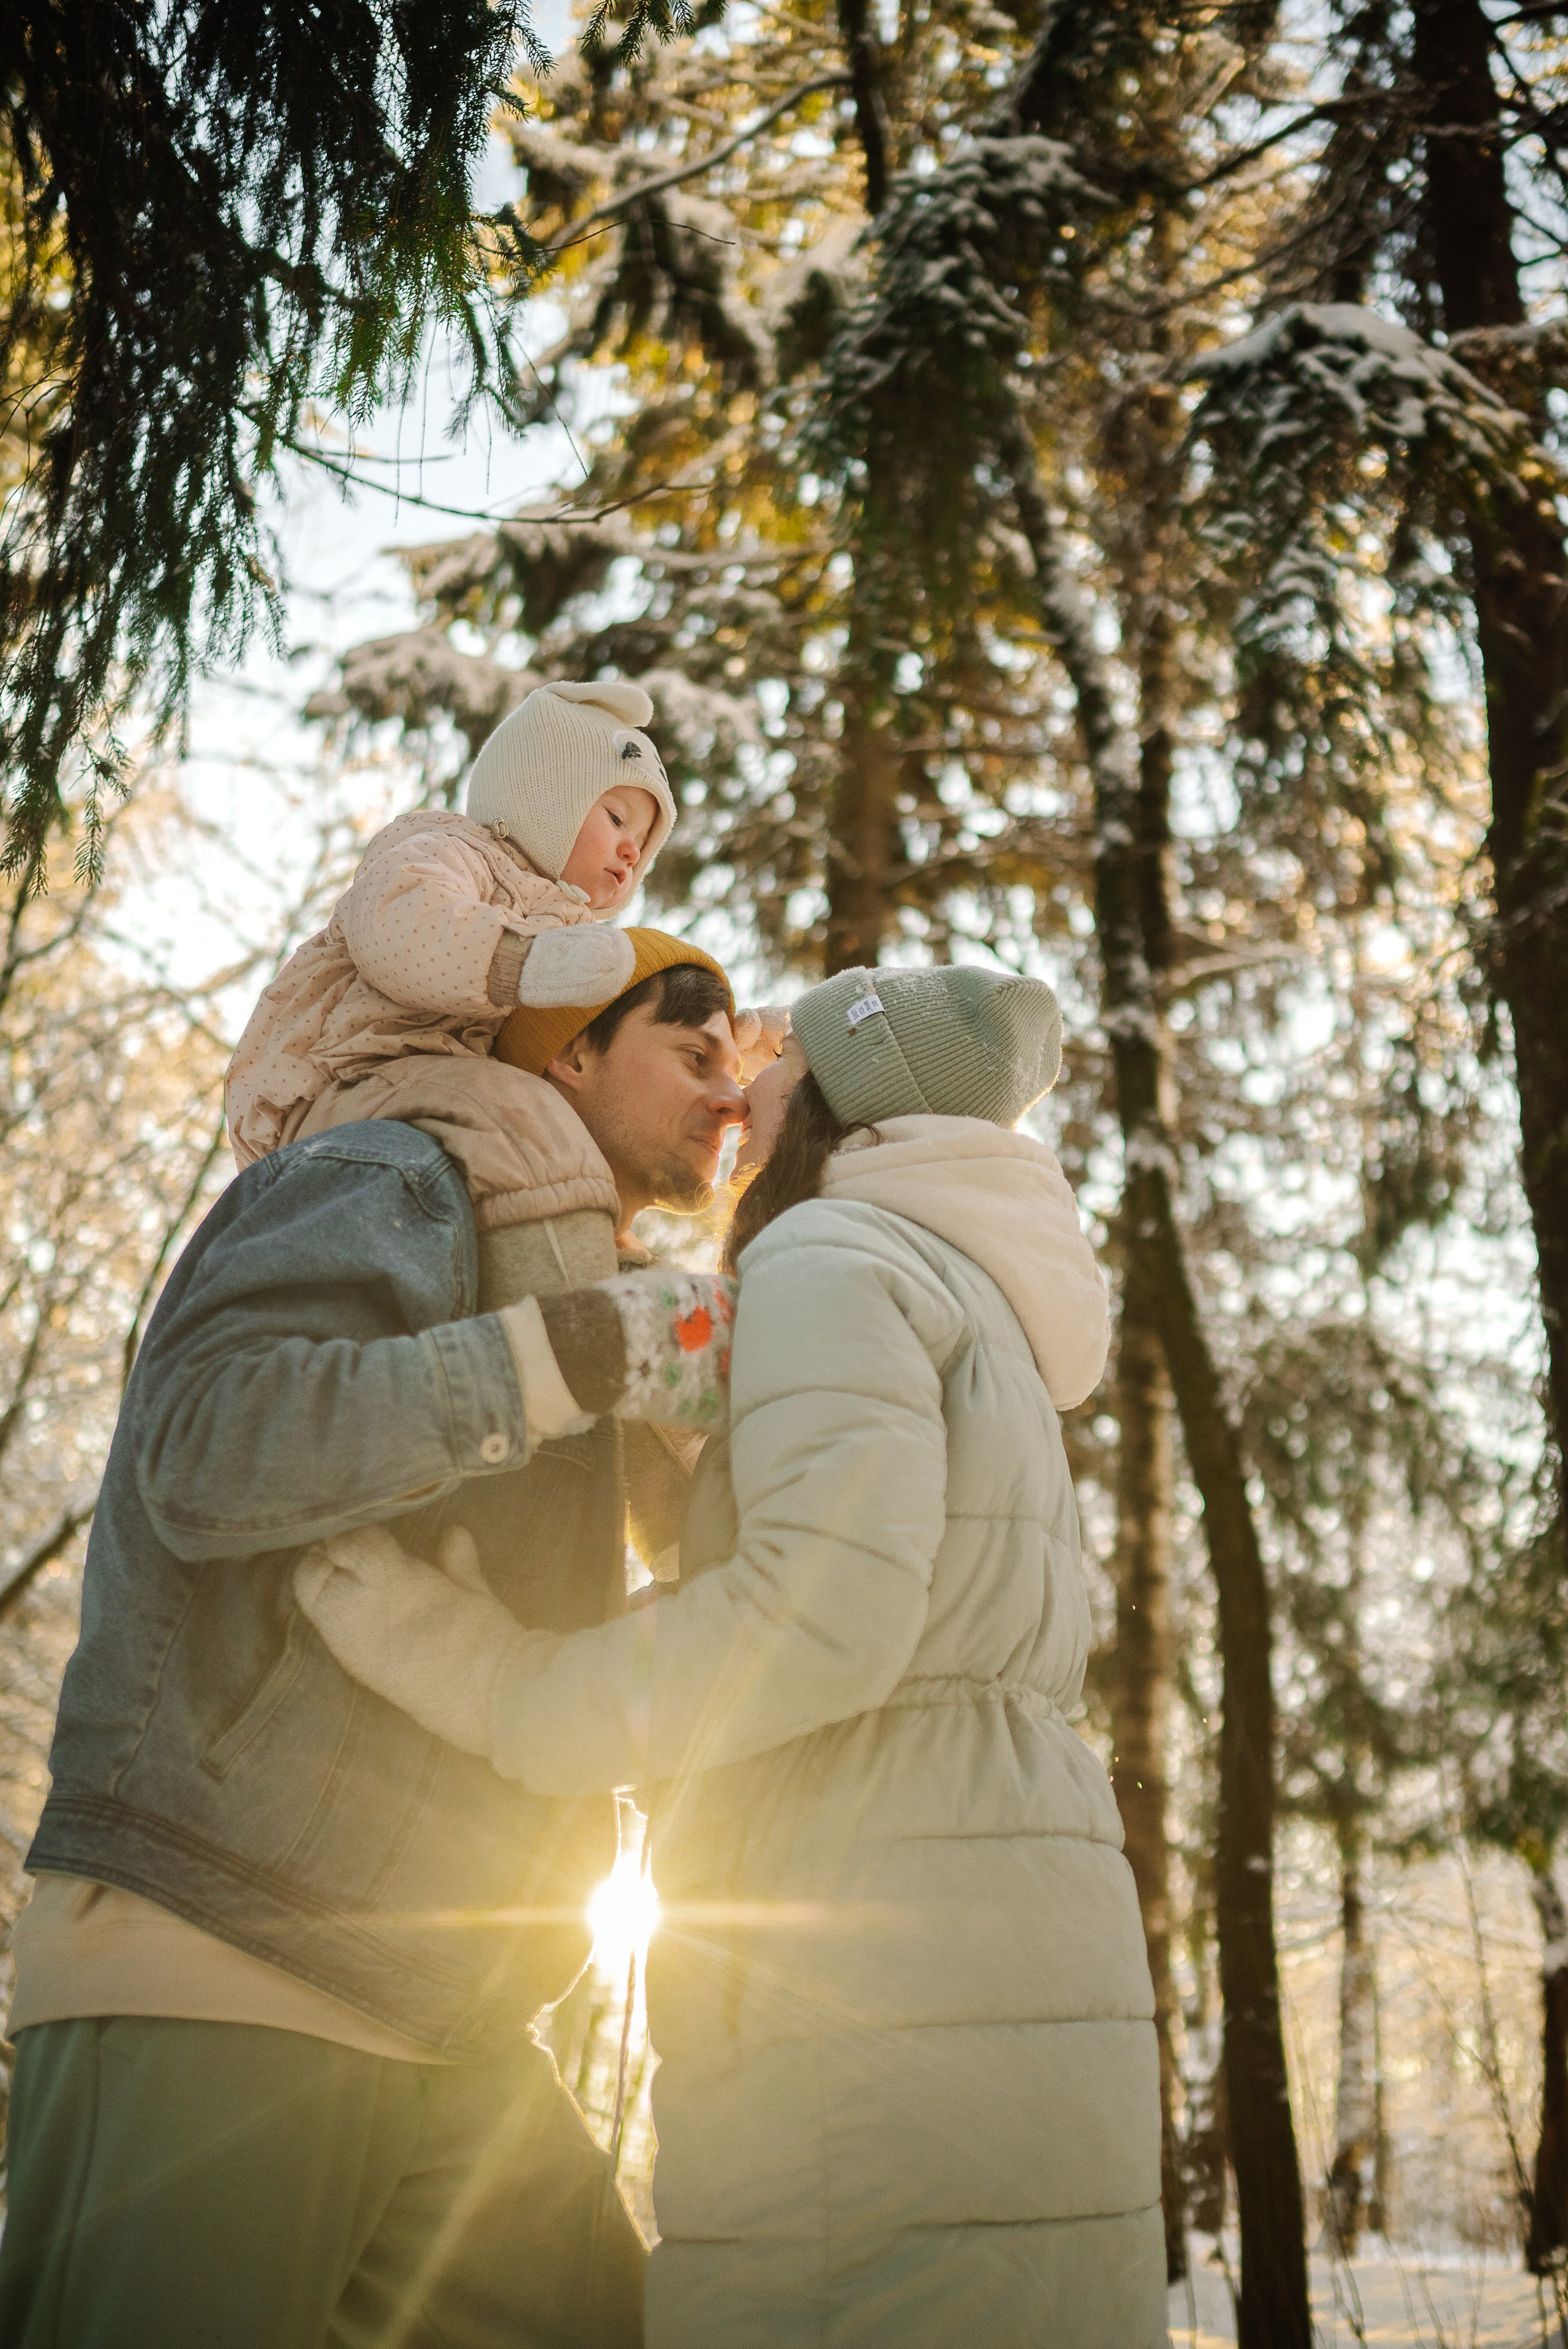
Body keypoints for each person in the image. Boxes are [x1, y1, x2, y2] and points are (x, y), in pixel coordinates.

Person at [296, 962, 1171, 2349]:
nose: (738, 1092)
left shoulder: (833, 1255)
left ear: (836, 1096)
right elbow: (874, 1581)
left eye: (773, 1062)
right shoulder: (964, 1289)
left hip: (871, 1947)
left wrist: (491, 1676)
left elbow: (816, 1619)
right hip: (1011, 1922)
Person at [0, 938, 748, 2349]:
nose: (729, 1093)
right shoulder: (394, 1174)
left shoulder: (579, 1276)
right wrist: (567, 1357)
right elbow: (205, 1441)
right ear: (571, 1048)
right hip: (225, 1959)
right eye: (692, 1052)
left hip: (457, 2022)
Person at [225, 678, 677, 1171]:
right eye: (616, 819)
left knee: (557, 1159)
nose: (632, 852)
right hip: (341, 1079)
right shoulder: (457, 852)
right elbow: (401, 921)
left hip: (429, 1094)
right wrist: (516, 962)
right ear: (542, 795)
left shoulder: (565, 939)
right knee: (515, 1126)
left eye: (643, 842)